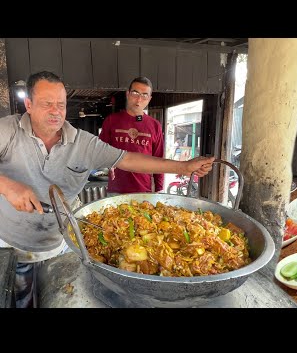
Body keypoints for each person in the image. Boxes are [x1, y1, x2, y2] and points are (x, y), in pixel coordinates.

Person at [0, 71, 214, 307]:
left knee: (59, 299)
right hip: (11, 246)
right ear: (28, 105)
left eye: (61, 104)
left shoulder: (83, 143)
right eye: (47, 103)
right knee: (18, 302)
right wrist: (6, 185)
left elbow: (128, 160)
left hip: (65, 246)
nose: (56, 110)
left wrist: (184, 167)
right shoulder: (7, 131)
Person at [99, 77, 164, 193]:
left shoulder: (155, 126)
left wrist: (159, 188)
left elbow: (159, 158)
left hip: (144, 190)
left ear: (149, 99)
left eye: (144, 95)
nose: (139, 99)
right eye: (135, 93)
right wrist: (107, 165)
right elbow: (100, 150)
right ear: (127, 94)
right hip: (116, 189)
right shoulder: (111, 121)